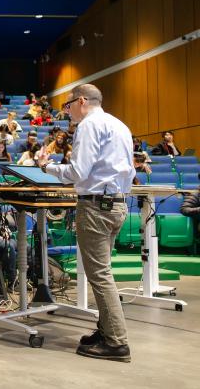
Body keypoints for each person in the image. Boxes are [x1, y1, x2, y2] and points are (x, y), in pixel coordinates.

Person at [41, 84, 133, 362]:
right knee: (102, 273)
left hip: (95, 207)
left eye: (68, 106)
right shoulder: (119, 125)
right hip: (116, 204)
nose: (67, 113)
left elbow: (79, 172)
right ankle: (106, 332)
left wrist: (48, 168)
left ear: (81, 101)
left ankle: (116, 342)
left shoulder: (89, 125)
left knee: (99, 276)